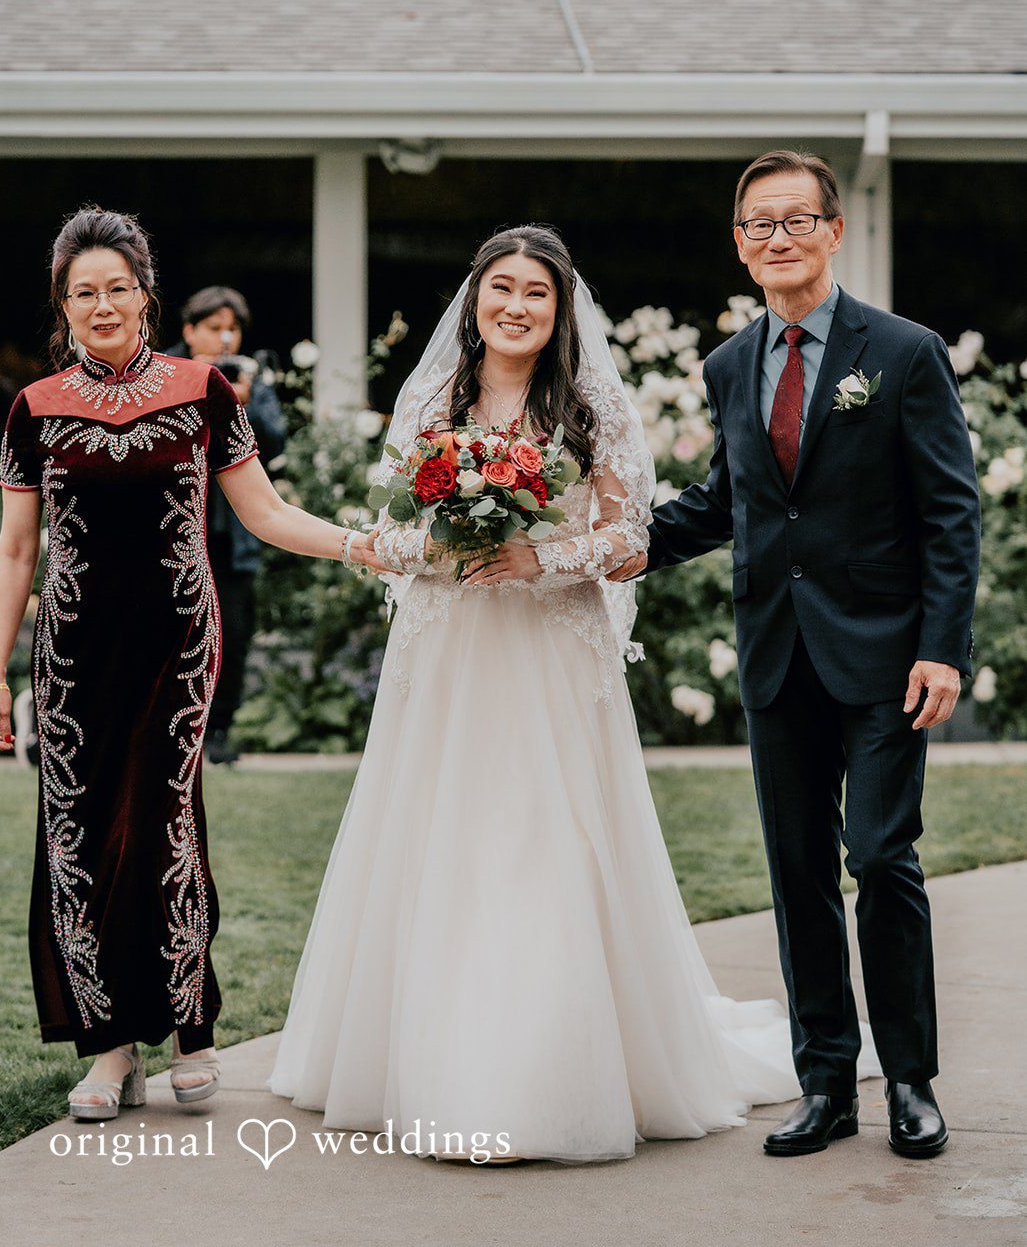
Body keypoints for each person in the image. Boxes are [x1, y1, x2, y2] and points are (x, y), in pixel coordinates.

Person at [267, 223, 882, 1166]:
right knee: (444, 836)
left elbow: (629, 535)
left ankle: (541, 1079)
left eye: (536, 294)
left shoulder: (589, 403)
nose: (515, 306)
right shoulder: (431, 397)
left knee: (541, 841)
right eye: (500, 288)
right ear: (474, 298)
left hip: (550, 651)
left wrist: (535, 555)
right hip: (450, 651)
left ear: (560, 312)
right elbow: (396, 523)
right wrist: (434, 548)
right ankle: (429, 1058)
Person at [610, 151, 981, 1159]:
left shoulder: (900, 353)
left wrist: (941, 648)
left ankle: (908, 1080)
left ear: (832, 229)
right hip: (775, 655)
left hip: (884, 657)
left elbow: (949, 510)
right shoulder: (730, 365)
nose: (776, 237)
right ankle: (825, 1086)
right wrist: (595, 545)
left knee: (877, 855)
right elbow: (726, 503)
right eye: (756, 224)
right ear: (737, 245)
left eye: (794, 219)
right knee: (796, 872)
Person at [0, 207, 381, 1123]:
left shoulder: (204, 391)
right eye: (85, 292)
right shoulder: (34, 408)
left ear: (148, 298)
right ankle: (111, 1050)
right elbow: (13, 554)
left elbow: (266, 516)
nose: (103, 304)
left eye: (119, 287)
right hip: (72, 656)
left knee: (162, 824)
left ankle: (191, 1030)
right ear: (63, 305)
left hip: (178, 646)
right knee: (79, 837)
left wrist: (365, 545)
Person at [167, 287, 287, 765]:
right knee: (173, 631)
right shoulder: (164, 373)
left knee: (233, 631)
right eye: (213, 327)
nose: (224, 338)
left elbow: (275, 440)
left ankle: (219, 730)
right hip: (174, 530)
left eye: (232, 328)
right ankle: (174, 729)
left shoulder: (250, 374)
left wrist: (242, 403)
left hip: (233, 531)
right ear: (189, 330)